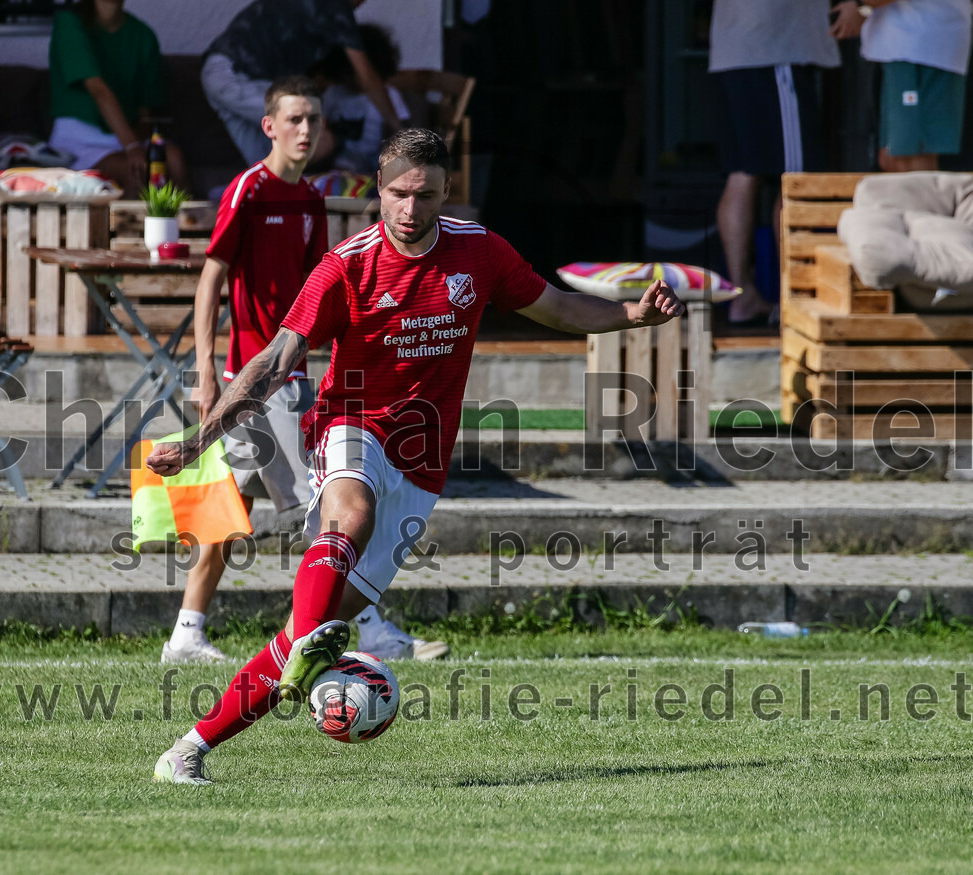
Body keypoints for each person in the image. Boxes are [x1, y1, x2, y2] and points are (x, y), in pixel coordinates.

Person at [148, 128, 685, 784]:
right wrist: (201, 438)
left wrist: (631, 313)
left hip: (422, 465)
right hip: (349, 422)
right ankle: (310, 641)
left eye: (424, 194)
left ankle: (189, 749)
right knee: (351, 511)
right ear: (379, 190)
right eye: (397, 194)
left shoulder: (477, 252)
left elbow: (556, 306)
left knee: (299, 638)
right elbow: (274, 361)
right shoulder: (347, 265)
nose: (409, 207)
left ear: (445, 192)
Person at [162, 75, 446, 667]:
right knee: (324, 512)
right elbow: (212, 278)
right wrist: (207, 366)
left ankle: (186, 633)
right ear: (268, 126)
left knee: (225, 509)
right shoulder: (249, 190)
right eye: (294, 119)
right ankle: (365, 627)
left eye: (314, 120)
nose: (306, 130)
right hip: (260, 381)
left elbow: (319, 291)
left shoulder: (312, 198)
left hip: (292, 374)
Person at [709, 0, 841, 327]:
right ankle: (794, 301)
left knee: (742, 174)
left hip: (734, 49)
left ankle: (742, 298)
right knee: (795, 180)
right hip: (773, 47)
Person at [201, 0, 401, 168]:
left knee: (263, 164)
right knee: (319, 138)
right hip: (236, 76)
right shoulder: (335, 6)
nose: (361, 3)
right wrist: (397, 126)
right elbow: (367, 77)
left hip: (218, 74)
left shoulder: (315, 20)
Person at [47, 0, 188, 197]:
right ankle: (131, 228)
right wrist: (131, 149)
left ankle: (184, 226)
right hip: (80, 140)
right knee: (135, 171)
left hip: (128, 138)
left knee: (173, 159)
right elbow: (98, 90)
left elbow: (146, 114)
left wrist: (136, 146)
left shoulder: (142, 34)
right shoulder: (69, 22)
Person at [829, 0, 971, 172]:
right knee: (892, 157)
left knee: (912, 158)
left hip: (922, 49)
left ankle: (923, 200)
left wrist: (858, 4)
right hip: (905, 50)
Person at [310, 24, 410, 174]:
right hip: (335, 165)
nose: (350, 79)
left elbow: (397, 135)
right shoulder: (334, 94)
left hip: (373, 166)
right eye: (345, 72)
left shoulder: (389, 96)